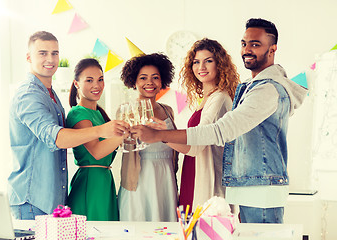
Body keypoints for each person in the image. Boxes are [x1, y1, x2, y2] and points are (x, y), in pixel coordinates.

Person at [132, 18, 308, 223]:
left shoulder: (266, 89)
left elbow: (219, 131)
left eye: (255, 44)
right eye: (244, 44)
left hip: (259, 186)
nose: (247, 49)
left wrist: (159, 135)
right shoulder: (251, 87)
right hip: (251, 185)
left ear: (272, 49)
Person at [8, 31, 129, 220]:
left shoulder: (51, 95)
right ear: (28, 57)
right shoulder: (28, 95)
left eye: (55, 53)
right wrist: (103, 130)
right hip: (32, 201)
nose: (50, 59)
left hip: (52, 200)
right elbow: (57, 138)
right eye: (43, 53)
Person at [151, 38, 239, 213]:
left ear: (219, 64)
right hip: (193, 171)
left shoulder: (220, 98)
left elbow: (196, 145)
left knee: (204, 227)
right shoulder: (207, 98)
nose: (201, 67)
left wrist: (162, 135)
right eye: (196, 62)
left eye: (208, 61)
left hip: (206, 176)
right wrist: (164, 134)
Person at [118, 53, 178, 222]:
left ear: (162, 81)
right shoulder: (127, 110)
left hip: (166, 177)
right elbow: (122, 145)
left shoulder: (168, 110)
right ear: (134, 81)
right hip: (140, 178)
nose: (149, 83)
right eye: (143, 78)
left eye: (155, 77)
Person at [66, 58, 125, 221]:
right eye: (89, 80)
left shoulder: (100, 114)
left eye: (100, 80)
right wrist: (126, 132)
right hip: (90, 184)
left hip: (104, 181)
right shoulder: (78, 113)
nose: (96, 85)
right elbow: (97, 151)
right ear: (76, 84)